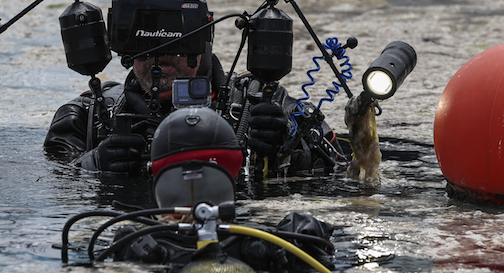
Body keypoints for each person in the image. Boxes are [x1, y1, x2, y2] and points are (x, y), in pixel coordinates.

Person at [44, 46, 347, 177]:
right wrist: (92, 164)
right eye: (146, 45)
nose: (160, 57)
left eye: (178, 44)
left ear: (204, 43)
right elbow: (50, 179)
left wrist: (291, 151)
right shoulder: (87, 115)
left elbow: (345, 168)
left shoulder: (266, 105)